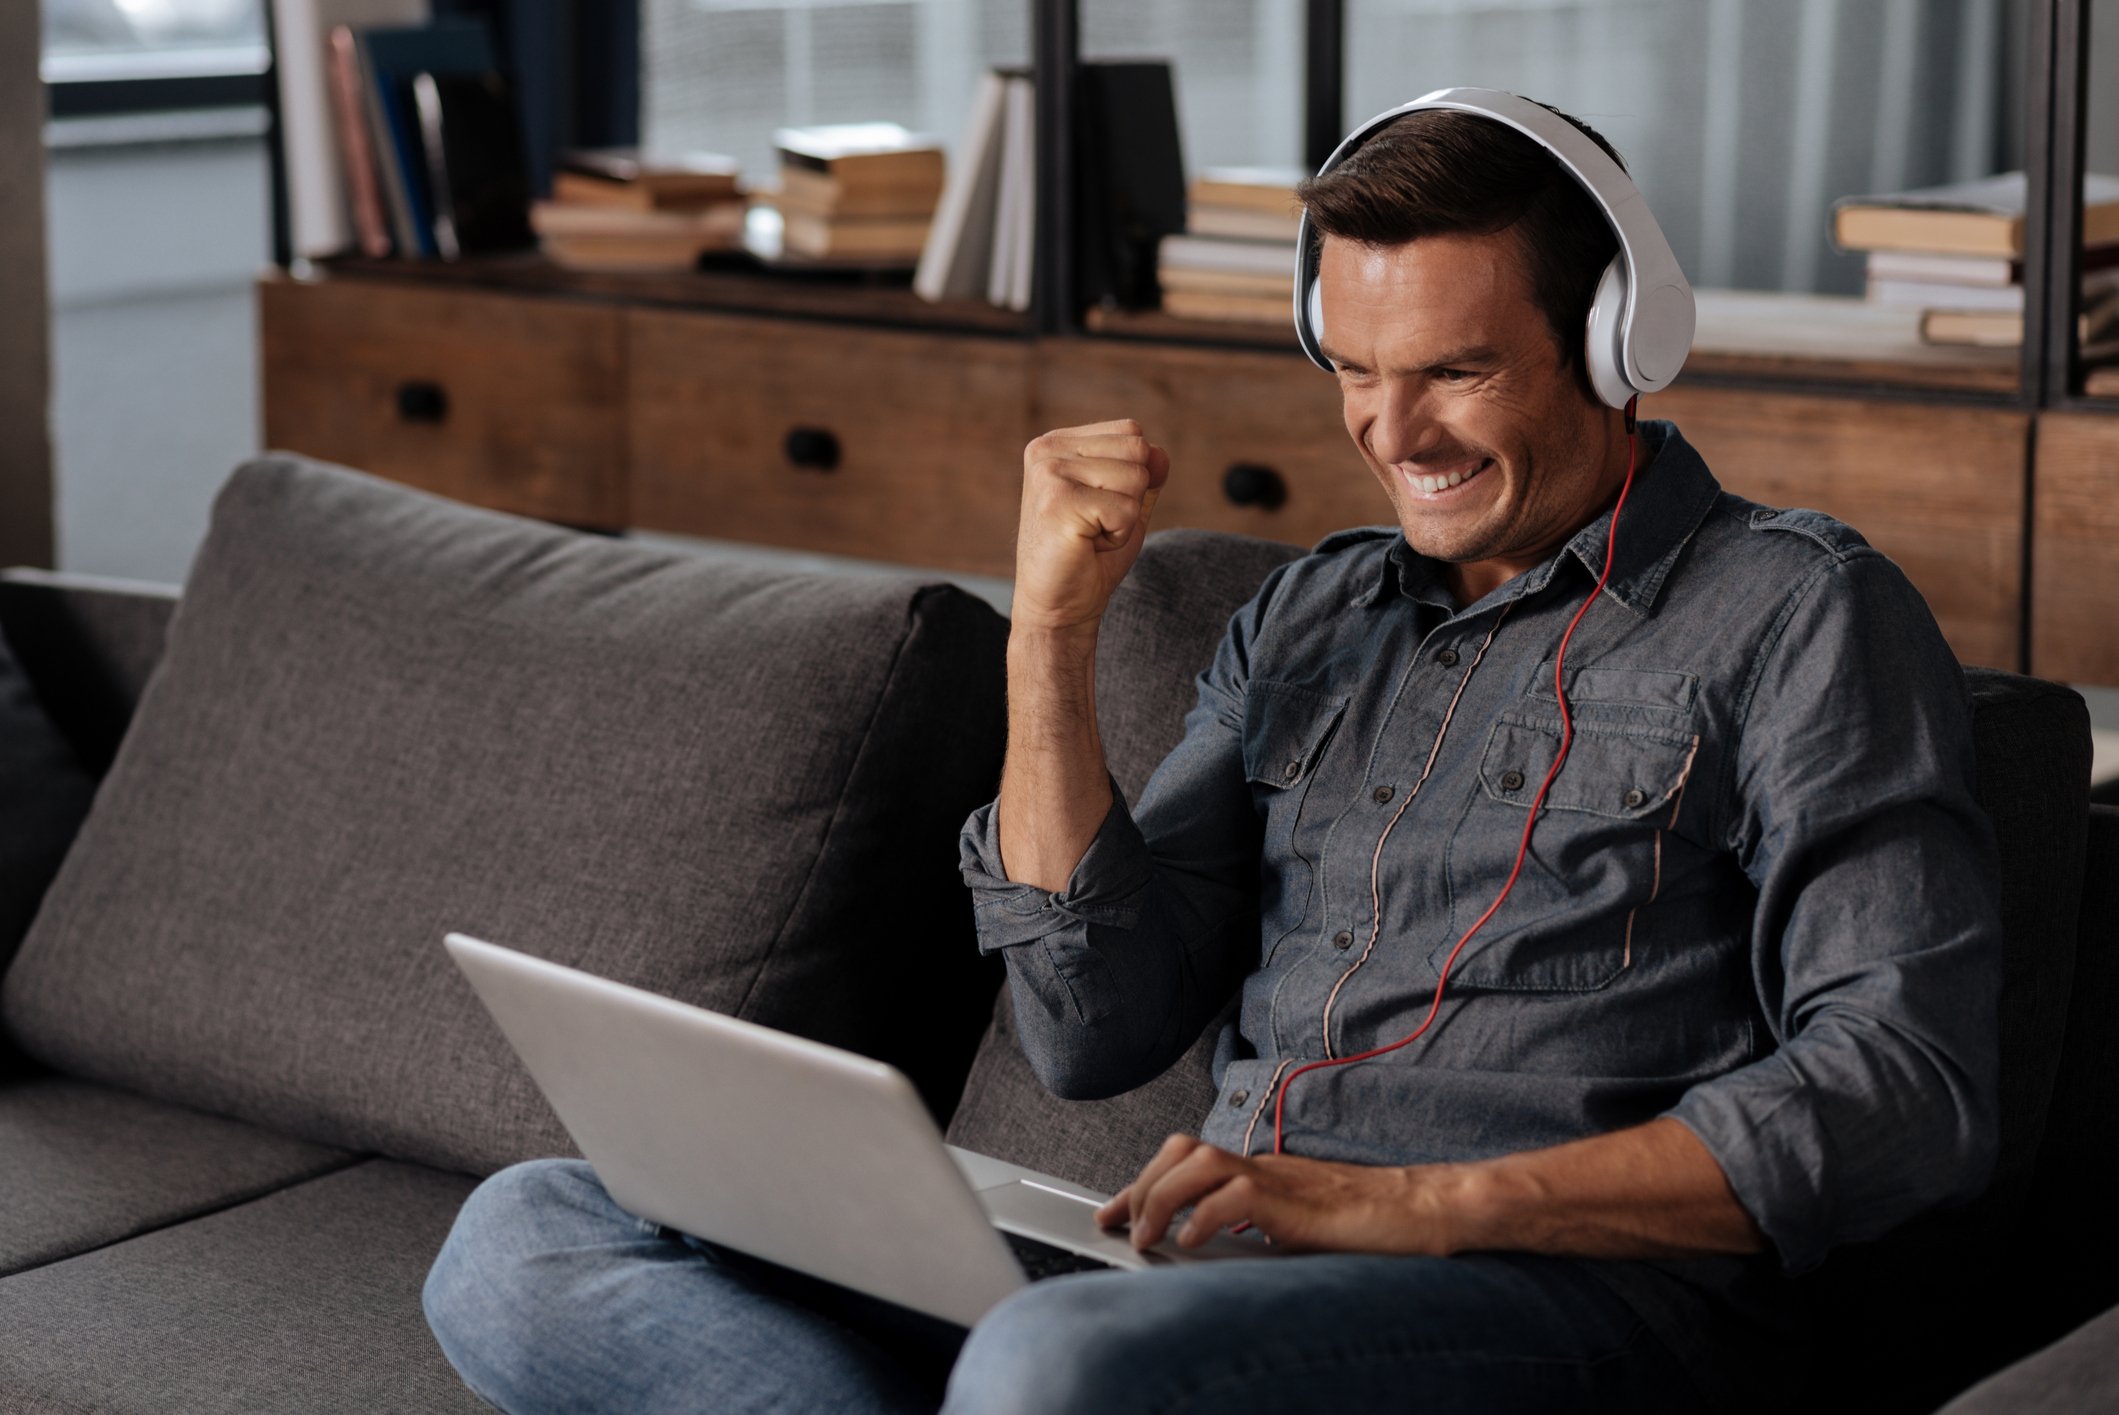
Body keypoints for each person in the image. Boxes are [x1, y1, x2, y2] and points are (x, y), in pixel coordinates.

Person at [422, 97, 2002, 1415]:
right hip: (1211, 1275)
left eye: (1456, 372)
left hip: (1562, 1304)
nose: (1395, 434)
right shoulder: (1313, 614)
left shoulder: (1798, 613)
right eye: (1356, 371)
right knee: (529, 1234)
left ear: (1615, 340)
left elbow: (1907, 1085)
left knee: (1051, 1368)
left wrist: (1413, 1207)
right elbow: (1090, 1026)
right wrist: (1048, 641)